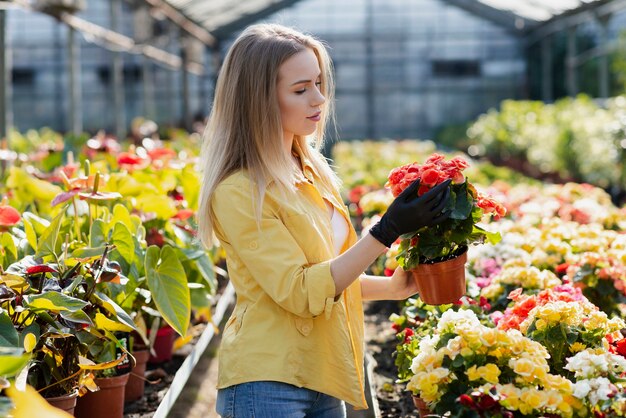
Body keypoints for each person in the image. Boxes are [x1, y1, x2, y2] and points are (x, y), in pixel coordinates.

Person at [197, 23, 451, 418]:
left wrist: (395, 287)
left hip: (322, 375)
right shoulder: (240, 190)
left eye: (318, 82)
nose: (319, 98)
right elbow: (300, 291)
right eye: (300, 90)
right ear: (258, 100)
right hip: (267, 383)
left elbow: (328, 277)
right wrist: (384, 231)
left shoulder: (310, 171)